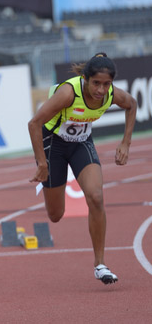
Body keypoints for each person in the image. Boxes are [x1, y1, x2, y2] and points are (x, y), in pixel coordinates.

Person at [28, 53, 137, 285]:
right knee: (55, 215)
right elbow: (34, 123)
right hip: (53, 145)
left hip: (81, 144)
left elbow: (132, 105)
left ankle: (100, 265)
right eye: (96, 83)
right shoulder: (68, 93)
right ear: (85, 79)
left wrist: (125, 142)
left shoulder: (111, 95)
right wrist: (41, 162)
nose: (101, 90)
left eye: (106, 84)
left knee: (96, 197)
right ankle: (50, 178)